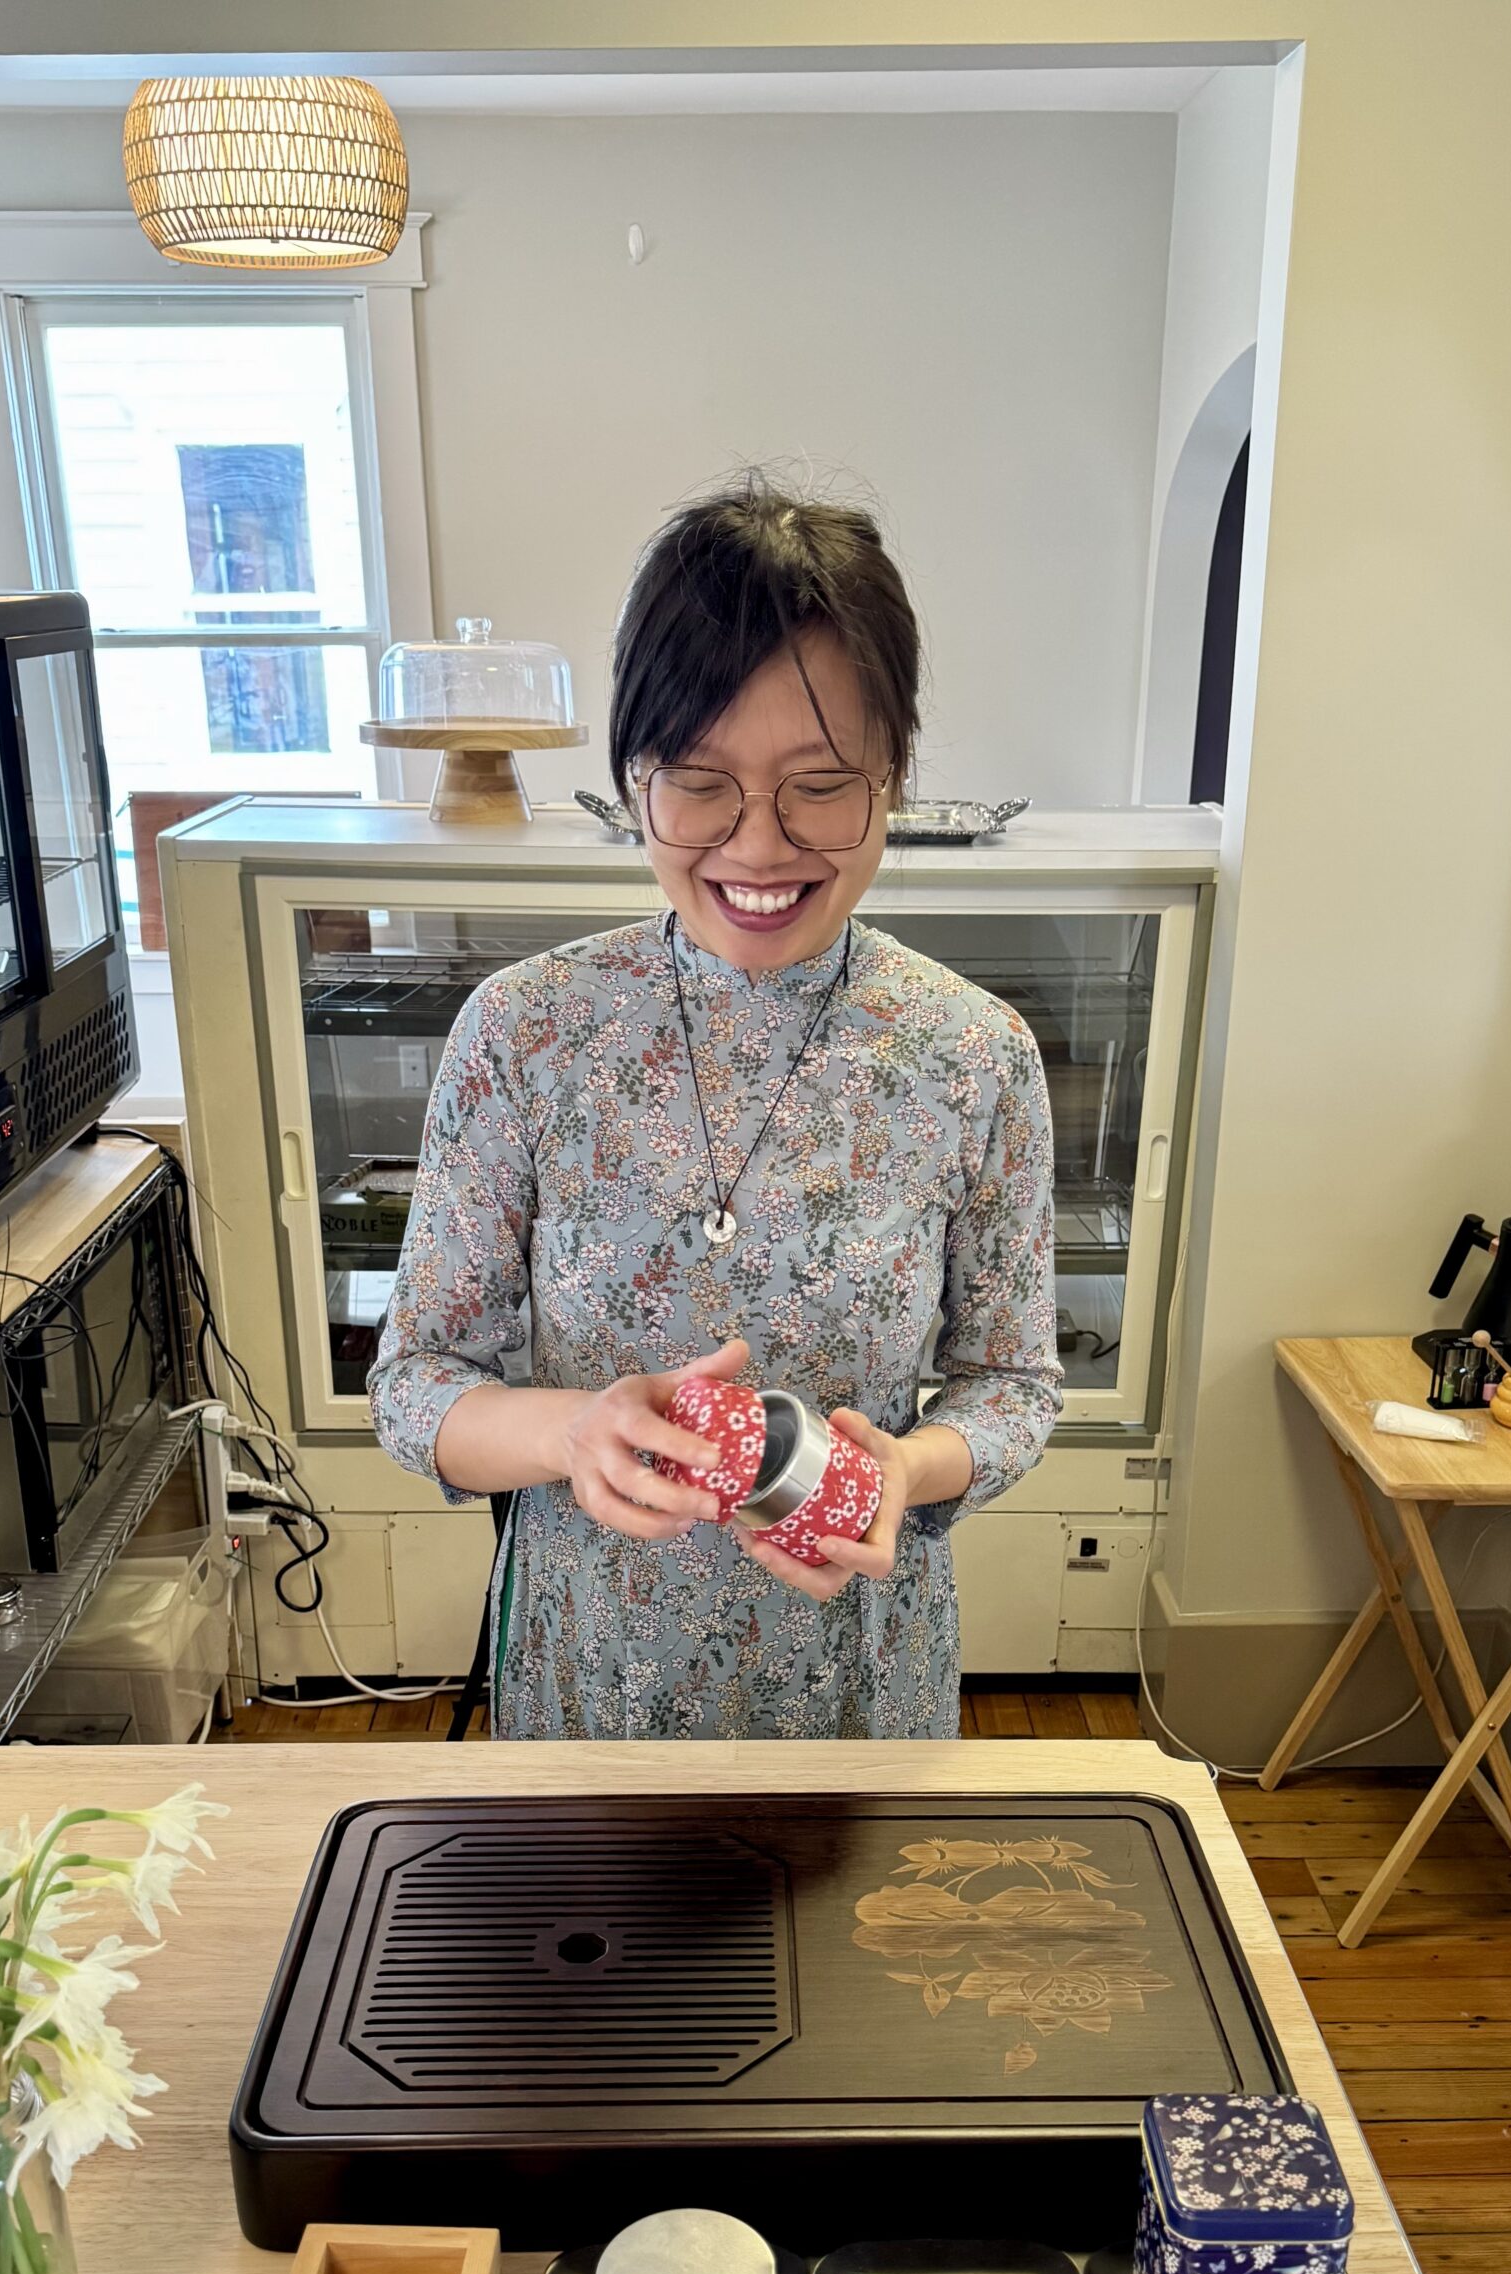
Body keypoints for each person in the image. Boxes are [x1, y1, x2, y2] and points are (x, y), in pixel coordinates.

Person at [369, 477, 1062, 1738]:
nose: (756, 845)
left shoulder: (974, 1057)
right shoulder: (525, 1036)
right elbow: (416, 1382)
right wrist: (570, 1430)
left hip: (858, 1675)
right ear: (632, 778)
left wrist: (911, 1468)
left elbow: (1011, 1382)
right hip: (591, 1677)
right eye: (697, 781)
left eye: (821, 782)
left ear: (891, 776)